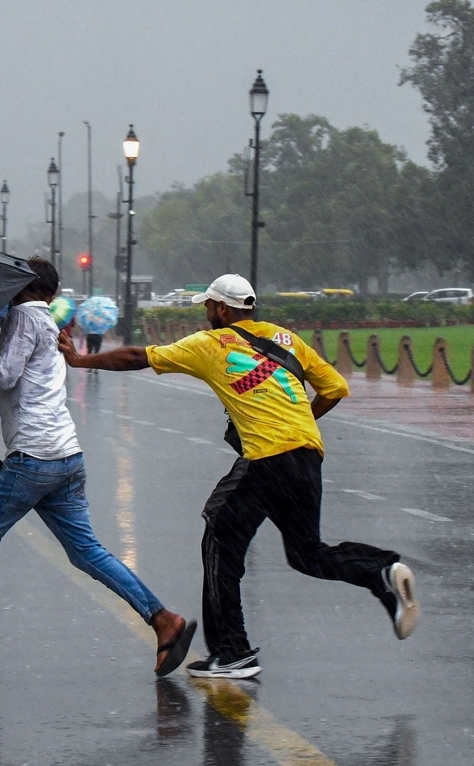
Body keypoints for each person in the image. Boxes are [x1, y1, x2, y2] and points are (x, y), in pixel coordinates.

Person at [57, 273, 418, 680]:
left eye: (209, 306)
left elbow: (137, 357)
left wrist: (81, 360)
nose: (207, 313)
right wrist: (299, 423)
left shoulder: (211, 344)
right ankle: (381, 571)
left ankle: (231, 652)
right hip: (307, 456)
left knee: (220, 537)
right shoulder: (285, 339)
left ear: (223, 309)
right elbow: (334, 388)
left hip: (267, 459)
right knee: (306, 554)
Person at [0, 256, 197, 675]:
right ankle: (164, 620)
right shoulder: (50, 324)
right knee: (85, 551)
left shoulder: (22, 317)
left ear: (20, 287)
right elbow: (27, 397)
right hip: (66, 458)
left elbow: (2, 375)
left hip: (33, 461)